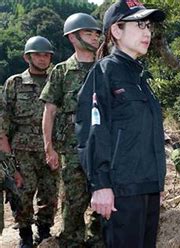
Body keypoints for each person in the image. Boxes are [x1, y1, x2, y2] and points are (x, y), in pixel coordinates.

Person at [74, 1, 166, 247]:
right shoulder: (104, 73)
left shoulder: (140, 77)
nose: (147, 32)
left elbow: (148, 134)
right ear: (116, 30)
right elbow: (92, 131)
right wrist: (100, 185)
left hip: (147, 186)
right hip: (121, 190)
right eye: (139, 25)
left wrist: (157, 183)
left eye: (149, 26)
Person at [39, 13, 103, 247]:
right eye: (89, 33)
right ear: (73, 38)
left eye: (97, 33)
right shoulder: (61, 72)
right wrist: (49, 148)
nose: (95, 37)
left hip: (104, 148)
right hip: (73, 149)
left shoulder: (106, 68)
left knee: (104, 204)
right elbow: (50, 111)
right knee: (74, 204)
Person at [0, 36, 58, 247]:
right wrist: (7, 157)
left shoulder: (56, 80)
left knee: (50, 194)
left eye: (46, 55)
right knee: (22, 194)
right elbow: (3, 119)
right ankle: (24, 235)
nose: (43, 59)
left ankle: (44, 232)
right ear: (27, 57)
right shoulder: (14, 83)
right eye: (38, 55)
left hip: (50, 148)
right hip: (22, 150)